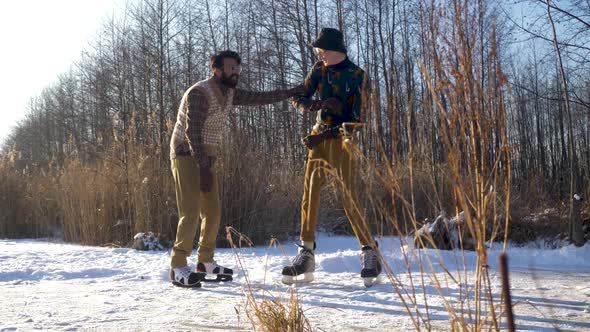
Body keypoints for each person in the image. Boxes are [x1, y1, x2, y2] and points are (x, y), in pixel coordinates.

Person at [169, 50, 303, 287]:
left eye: (238, 69)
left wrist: (290, 92)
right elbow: (192, 132)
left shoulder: (228, 93)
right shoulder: (200, 93)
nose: (236, 72)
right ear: (217, 70)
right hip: (185, 153)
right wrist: (202, 168)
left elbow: (258, 98)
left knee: (212, 211)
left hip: (205, 158)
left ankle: (205, 263)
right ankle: (178, 266)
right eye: (232, 68)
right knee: (190, 211)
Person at [281, 28, 381, 287]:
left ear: (335, 49)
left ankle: (370, 252)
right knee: (310, 193)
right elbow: (299, 97)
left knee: (348, 194)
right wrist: (316, 105)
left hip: (342, 141)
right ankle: (306, 253)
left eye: (321, 50)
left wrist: (324, 137)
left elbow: (357, 121)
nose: (319, 54)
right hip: (318, 136)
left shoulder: (358, 76)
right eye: (318, 51)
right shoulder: (319, 69)